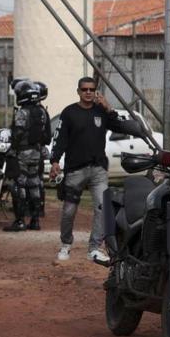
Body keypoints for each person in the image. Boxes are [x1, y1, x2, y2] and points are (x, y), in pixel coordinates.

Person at [49, 77, 122, 262]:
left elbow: (119, 125)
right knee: (69, 211)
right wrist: (55, 161)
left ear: (95, 91)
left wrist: (108, 108)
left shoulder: (101, 111)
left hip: (98, 170)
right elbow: (59, 138)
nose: (88, 92)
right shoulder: (69, 112)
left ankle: (95, 248)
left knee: (102, 208)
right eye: (84, 89)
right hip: (75, 170)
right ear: (78, 91)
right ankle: (66, 244)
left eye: (91, 89)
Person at [4, 80, 51, 232]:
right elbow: (46, 134)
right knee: (34, 183)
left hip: (22, 153)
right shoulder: (42, 112)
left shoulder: (22, 112)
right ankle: (35, 221)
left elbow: (18, 133)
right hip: (36, 153)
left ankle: (19, 221)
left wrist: (12, 148)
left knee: (19, 184)